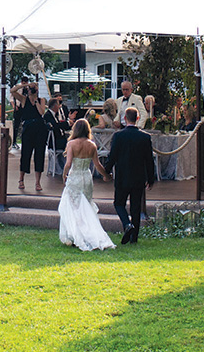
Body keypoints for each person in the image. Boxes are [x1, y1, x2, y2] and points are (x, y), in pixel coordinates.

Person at [58, 119, 115, 251]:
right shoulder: (92, 145)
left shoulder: (72, 143)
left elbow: (68, 163)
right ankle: (85, 234)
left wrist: (64, 175)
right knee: (86, 207)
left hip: (75, 177)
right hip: (86, 177)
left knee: (73, 207)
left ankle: (75, 236)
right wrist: (106, 175)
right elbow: (97, 164)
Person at [104, 107, 156, 244]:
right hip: (138, 177)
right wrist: (151, 178)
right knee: (135, 207)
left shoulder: (118, 136)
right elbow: (149, 160)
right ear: (137, 118)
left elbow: (112, 156)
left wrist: (106, 171)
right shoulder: (145, 137)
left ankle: (127, 225)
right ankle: (134, 238)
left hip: (122, 175)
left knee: (119, 203)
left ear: (125, 119)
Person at [14, 81, 47, 192]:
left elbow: (41, 112)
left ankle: (37, 182)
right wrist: (25, 85)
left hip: (39, 128)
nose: (32, 90)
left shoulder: (41, 100)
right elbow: (12, 91)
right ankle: (21, 179)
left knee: (39, 155)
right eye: (31, 88)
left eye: (34, 88)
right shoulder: (24, 99)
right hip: (28, 129)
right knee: (25, 154)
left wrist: (36, 99)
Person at [44, 97, 72, 170]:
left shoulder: (54, 115)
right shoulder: (48, 115)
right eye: (58, 104)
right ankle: (69, 167)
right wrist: (67, 123)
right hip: (55, 142)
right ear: (55, 106)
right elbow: (55, 126)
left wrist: (68, 124)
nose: (59, 106)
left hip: (60, 138)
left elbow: (59, 124)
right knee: (73, 144)